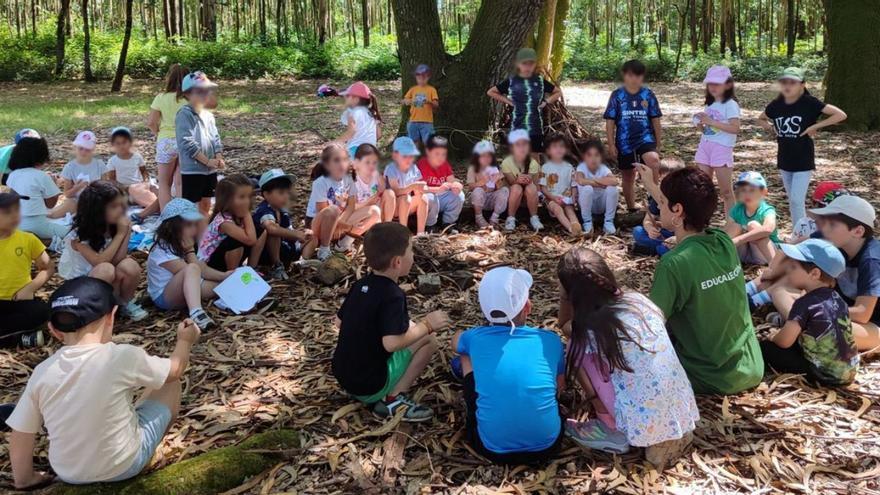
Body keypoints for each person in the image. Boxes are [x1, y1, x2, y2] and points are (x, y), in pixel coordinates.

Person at [5, 277, 200, 488]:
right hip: (124, 465)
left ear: (53, 329)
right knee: (168, 382)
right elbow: (175, 369)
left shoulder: (42, 372)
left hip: (69, 472)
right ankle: (150, 449)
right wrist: (185, 340)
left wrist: (25, 479)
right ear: (111, 317)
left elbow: (21, 431)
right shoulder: (121, 356)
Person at [557, 248, 698, 467]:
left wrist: (564, 298)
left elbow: (564, 325)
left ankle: (610, 427)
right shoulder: (638, 301)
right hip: (680, 405)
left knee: (575, 348)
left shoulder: (590, 329)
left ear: (571, 293)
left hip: (639, 421)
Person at [642, 165, 763, 394]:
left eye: (663, 202)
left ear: (677, 210)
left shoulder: (673, 263)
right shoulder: (723, 241)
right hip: (751, 366)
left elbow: (651, 326)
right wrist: (650, 183)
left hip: (708, 376)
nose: (659, 206)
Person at [332, 222, 446, 421]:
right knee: (430, 340)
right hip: (371, 385)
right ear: (397, 262)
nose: (413, 255)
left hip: (345, 376)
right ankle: (393, 399)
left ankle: (380, 392)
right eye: (410, 251)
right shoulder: (393, 295)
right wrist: (427, 325)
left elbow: (339, 322)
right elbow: (391, 344)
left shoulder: (360, 285)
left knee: (410, 328)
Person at [451, 266, 565, 464]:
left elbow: (455, 343)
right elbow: (560, 385)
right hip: (548, 446)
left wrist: (465, 339)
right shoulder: (550, 340)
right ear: (527, 307)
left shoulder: (475, 338)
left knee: (464, 356)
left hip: (490, 447)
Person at [768, 195, 880, 352]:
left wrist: (816, 309)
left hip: (872, 326)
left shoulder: (872, 260)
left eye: (832, 224)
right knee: (779, 291)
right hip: (835, 311)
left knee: (819, 321)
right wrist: (771, 272)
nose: (823, 228)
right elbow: (792, 246)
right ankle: (799, 327)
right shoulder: (832, 238)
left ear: (858, 231)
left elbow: (863, 313)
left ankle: (794, 326)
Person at [760, 239, 858, 385]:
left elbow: (784, 342)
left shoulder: (804, 303)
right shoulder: (838, 300)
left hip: (822, 374)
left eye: (793, 267)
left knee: (765, 348)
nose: (788, 271)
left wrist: (773, 337)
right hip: (848, 370)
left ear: (814, 273)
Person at [758, 67, 847, 226]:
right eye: (784, 82)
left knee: (796, 200)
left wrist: (815, 126)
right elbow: (761, 119)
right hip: (784, 158)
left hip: (803, 159)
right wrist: (772, 128)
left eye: (793, 82)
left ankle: (801, 234)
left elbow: (840, 115)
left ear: (802, 85)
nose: (788, 86)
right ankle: (798, 230)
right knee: (793, 201)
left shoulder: (809, 103)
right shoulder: (776, 104)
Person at [58, 181, 147, 321]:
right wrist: (120, 235)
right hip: (81, 287)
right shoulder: (78, 235)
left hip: (105, 280)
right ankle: (99, 312)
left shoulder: (115, 227)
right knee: (105, 269)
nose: (120, 210)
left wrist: (125, 233)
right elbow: (99, 262)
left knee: (129, 265)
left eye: (121, 205)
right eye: (114, 206)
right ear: (97, 209)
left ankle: (123, 303)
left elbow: (118, 259)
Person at [148, 198, 228, 331]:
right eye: (189, 225)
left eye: (194, 224)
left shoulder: (181, 243)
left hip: (185, 288)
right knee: (193, 269)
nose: (194, 229)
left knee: (221, 286)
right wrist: (190, 251)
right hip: (164, 297)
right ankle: (196, 312)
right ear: (172, 226)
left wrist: (224, 276)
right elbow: (192, 272)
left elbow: (200, 270)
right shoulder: (162, 250)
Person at [603, 59, 663, 211]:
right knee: (628, 176)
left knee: (653, 160)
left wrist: (658, 142)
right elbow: (610, 121)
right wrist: (610, 144)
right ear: (624, 75)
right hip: (624, 141)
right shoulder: (617, 95)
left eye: (638, 75)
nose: (634, 79)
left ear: (642, 76)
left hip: (645, 137)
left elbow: (656, 118)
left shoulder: (647, 95)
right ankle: (631, 207)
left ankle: (654, 199)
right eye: (630, 75)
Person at [306, 144, 380, 260]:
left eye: (344, 160)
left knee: (375, 211)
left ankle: (342, 245)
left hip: (338, 222)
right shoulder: (320, 183)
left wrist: (341, 224)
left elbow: (351, 206)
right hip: (318, 225)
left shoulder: (348, 180)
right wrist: (347, 226)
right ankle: (324, 249)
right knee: (332, 210)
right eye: (336, 160)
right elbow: (324, 212)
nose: (341, 164)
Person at [0, 189, 54, 348]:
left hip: (19, 301)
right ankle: (17, 339)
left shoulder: (28, 239)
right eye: (7, 211)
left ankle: (8, 336)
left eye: (17, 209)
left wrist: (31, 287)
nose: (15, 215)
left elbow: (48, 267)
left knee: (42, 312)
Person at [487, 48, 562, 153]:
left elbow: (558, 92)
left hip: (535, 126)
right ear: (518, 64)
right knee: (518, 158)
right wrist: (508, 101)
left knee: (535, 158)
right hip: (517, 126)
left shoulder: (540, 81)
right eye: (524, 63)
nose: (527, 66)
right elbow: (491, 92)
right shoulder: (512, 81)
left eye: (530, 63)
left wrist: (546, 102)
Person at [694, 65, 740, 215]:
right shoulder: (710, 103)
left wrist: (711, 122)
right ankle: (702, 223)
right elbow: (708, 130)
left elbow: (735, 128)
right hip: (705, 146)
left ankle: (732, 224)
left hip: (722, 148)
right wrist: (700, 123)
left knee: (726, 191)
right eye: (710, 83)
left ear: (727, 84)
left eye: (717, 83)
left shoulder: (731, 105)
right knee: (702, 188)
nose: (713, 87)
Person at [176, 71, 224, 216]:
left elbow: (215, 137)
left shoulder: (208, 115)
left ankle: (203, 233)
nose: (205, 94)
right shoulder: (185, 114)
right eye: (200, 91)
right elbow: (186, 142)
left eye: (207, 90)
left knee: (206, 203)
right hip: (193, 169)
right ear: (187, 94)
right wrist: (207, 161)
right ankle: (190, 234)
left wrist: (219, 157)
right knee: (191, 205)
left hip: (210, 170)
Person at [249, 169, 309, 280]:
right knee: (273, 231)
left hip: (285, 247)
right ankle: (276, 265)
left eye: (287, 192)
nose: (286, 196)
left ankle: (302, 261)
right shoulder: (264, 210)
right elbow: (271, 228)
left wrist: (300, 234)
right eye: (281, 193)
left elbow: (288, 228)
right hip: (267, 252)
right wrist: (295, 234)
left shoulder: (281, 210)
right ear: (266, 194)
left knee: (312, 237)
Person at [6, 136, 70, 240]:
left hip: (15, 223)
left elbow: (12, 197)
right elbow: (50, 204)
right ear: (41, 158)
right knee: (70, 232)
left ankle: (36, 240)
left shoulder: (13, 175)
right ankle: (48, 243)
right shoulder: (42, 176)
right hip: (37, 224)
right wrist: (54, 184)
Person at [149, 63, 189, 210]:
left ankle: (167, 217)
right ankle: (180, 214)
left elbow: (151, 122)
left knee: (164, 183)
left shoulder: (161, 98)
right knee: (180, 182)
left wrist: (158, 134)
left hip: (166, 140)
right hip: (186, 142)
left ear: (168, 79)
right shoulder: (191, 99)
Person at [197, 174, 257, 271]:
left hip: (223, 256)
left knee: (260, 229)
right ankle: (232, 277)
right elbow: (251, 240)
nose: (247, 201)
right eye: (242, 197)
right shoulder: (224, 222)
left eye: (249, 196)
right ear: (227, 200)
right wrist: (246, 213)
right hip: (209, 265)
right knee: (235, 241)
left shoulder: (237, 214)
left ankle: (252, 268)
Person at [104, 127, 159, 222]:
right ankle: (156, 207)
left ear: (130, 142)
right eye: (118, 143)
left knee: (156, 189)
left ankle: (164, 202)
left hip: (140, 185)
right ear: (113, 145)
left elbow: (144, 172)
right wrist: (125, 187)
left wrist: (145, 182)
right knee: (133, 190)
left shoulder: (137, 157)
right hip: (124, 190)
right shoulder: (112, 161)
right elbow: (112, 181)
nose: (122, 146)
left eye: (124, 142)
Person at [632, 158, 684, 257]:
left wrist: (677, 238)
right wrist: (650, 228)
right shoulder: (657, 197)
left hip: (679, 236)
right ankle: (655, 248)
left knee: (664, 249)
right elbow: (648, 219)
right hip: (662, 233)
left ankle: (653, 249)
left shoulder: (683, 198)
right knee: (638, 231)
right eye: (664, 180)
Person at [725, 171, 779, 265]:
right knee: (735, 226)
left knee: (753, 226)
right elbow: (727, 231)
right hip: (743, 254)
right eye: (743, 190)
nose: (747, 194)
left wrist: (739, 239)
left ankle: (774, 265)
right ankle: (719, 258)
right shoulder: (736, 209)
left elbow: (768, 229)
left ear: (764, 192)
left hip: (763, 255)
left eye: (752, 190)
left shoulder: (767, 210)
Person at [417, 135, 464, 232]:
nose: (440, 157)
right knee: (430, 197)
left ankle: (448, 223)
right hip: (428, 197)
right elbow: (421, 188)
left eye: (443, 154)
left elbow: (452, 180)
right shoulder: (422, 164)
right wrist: (438, 189)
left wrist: (457, 186)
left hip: (441, 196)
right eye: (437, 154)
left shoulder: (445, 164)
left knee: (459, 196)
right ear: (428, 152)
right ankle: (430, 225)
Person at [384, 137, 429, 236]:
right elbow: (395, 192)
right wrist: (412, 187)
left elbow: (419, 188)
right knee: (405, 198)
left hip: (408, 206)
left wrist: (421, 189)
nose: (409, 158)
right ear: (395, 155)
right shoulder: (391, 168)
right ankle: (403, 231)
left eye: (411, 155)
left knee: (423, 198)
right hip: (394, 207)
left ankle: (421, 233)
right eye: (405, 155)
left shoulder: (413, 167)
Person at [500, 130, 543, 232]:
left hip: (528, 197)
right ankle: (510, 218)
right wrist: (517, 180)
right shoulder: (506, 162)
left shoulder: (533, 163)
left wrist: (528, 179)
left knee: (531, 187)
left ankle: (534, 217)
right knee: (516, 187)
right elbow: (510, 182)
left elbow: (534, 183)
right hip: (513, 196)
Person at [575, 140, 619, 235]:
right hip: (587, 205)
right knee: (587, 188)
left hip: (601, 204)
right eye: (589, 155)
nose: (593, 159)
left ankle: (608, 222)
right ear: (584, 157)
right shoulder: (581, 167)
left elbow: (614, 181)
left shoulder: (603, 168)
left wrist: (594, 180)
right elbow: (581, 180)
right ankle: (587, 222)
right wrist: (601, 182)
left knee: (612, 189)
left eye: (596, 155)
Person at [539, 135, 581, 235]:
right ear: (548, 151)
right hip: (550, 198)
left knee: (570, 210)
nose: (558, 149)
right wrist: (553, 198)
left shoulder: (569, 167)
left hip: (566, 198)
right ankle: (570, 228)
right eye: (555, 146)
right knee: (557, 209)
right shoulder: (545, 167)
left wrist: (573, 196)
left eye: (561, 146)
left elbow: (573, 184)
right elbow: (543, 188)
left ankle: (577, 226)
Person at [467, 140, 509, 229]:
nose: (486, 158)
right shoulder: (473, 168)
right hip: (478, 200)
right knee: (478, 190)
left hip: (492, 199)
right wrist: (480, 183)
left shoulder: (495, 168)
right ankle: (479, 217)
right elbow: (470, 186)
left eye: (489, 156)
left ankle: (495, 217)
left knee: (505, 190)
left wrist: (498, 180)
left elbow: (499, 188)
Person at [351, 143, 396, 223]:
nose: (371, 166)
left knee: (389, 193)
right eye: (367, 162)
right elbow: (352, 207)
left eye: (374, 162)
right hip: (361, 214)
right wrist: (368, 202)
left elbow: (383, 189)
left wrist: (378, 175)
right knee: (374, 210)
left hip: (377, 210)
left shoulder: (375, 175)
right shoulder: (353, 181)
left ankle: (387, 225)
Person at [338, 82, 381, 157]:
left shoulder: (353, 113)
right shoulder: (371, 113)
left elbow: (351, 132)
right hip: (372, 151)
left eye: (347, 96)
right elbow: (378, 135)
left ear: (355, 99)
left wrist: (335, 142)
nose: (345, 99)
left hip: (356, 151)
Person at [61, 131, 106, 202]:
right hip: (77, 201)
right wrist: (78, 187)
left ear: (93, 149)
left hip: (97, 200)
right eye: (81, 148)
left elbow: (106, 188)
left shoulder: (99, 164)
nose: (83, 152)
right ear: (75, 147)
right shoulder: (69, 167)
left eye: (87, 149)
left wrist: (96, 187)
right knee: (69, 203)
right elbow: (67, 194)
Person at [404, 64, 440, 147]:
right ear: (416, 77)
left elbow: (436, 104)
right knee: (413, 142)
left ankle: (430, 159)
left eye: (424, 77)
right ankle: (414, 158)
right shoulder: (413, 89)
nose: (421, 79)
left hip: (427, 121)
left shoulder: (431, 90)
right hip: (413, 120)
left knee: (428, 142)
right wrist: (410, 101)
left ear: (428, 77)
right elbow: (405, 101)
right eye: (419, 77)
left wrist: (428, 101)